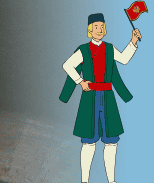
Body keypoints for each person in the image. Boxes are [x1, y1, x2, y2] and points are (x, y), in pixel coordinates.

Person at [59, 13, 141, 183]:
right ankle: (84, 181)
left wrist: (133, 42)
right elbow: (67, 65)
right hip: (90, 99)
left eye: (102, 26)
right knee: (89, 143)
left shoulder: (110, 48)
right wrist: (80, 82)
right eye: (96, 27)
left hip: (108, 98)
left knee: (111, 142)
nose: (100, 29)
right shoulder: (83, 50)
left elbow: (124, 59)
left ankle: (111, 181)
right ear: (90, 30)